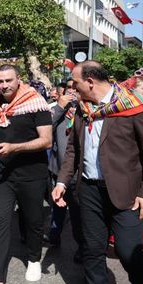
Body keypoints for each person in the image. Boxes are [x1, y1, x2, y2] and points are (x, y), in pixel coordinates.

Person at [52, 61, 143, 284]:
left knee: (128, 251)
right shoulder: (81, 109)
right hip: (89, 191)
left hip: (126, 194)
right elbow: (73, 150)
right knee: (92, 250)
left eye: (75, 83)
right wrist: (62, 181)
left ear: (90, 82)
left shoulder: (134, 107)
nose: (72, 89)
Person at [0, 64, 52, 284]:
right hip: (2, 175)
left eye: (9, 80)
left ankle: (33, 259)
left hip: (32, 173)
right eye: (0, 81)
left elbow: (47, 141)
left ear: (19, 79)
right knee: (0, 223)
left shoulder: (36, 102)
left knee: (32, 220)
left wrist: (15, 148)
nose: (4, 85)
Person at [46, 79, 83, 262]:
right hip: (59, 171)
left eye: (76, 88)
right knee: (58, 206)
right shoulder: (57, 110)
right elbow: (43, 129)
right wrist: (59, 108)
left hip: (80, 175)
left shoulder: (90, 111)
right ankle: (54, 233)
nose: (73, 91)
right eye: (69, 88)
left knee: (78, 215)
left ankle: (83, 248)